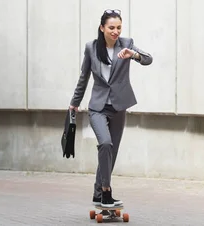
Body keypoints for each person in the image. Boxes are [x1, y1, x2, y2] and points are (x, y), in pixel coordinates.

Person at [69, 9, 153, 208]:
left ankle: (97, 192)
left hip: (118, 106)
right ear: (102, 28)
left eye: (119, 28)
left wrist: (133, 55)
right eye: (112, 28)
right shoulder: (91, 47)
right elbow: (84, 77)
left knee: (111, 152)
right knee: (105, 144)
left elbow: (148, 59)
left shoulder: (127, 44)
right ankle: (106, 192)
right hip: (98, 107)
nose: (116, 32)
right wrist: (74, 102)